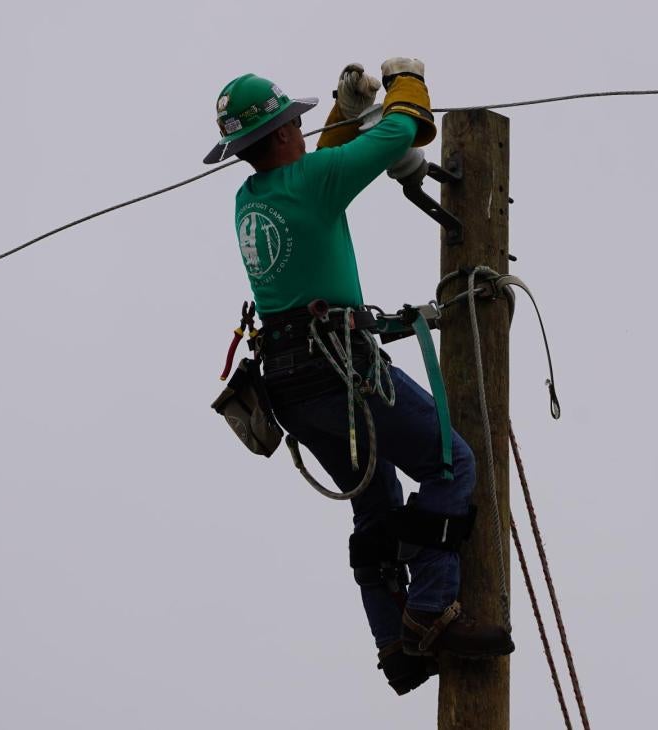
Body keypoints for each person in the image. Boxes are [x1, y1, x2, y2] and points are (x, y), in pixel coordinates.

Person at [204, 59, 513, 695]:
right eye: (299, 123)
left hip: (292, 385)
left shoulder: (253, 197)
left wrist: (345, 114)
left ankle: (394, 645)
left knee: (375, 503)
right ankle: (431, 612)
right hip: (340, 367)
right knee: (450, 462)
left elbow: (326, 165)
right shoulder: (314, 181)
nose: (304, 130)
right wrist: (405, 81)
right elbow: (399, 133)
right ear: (286, 134)